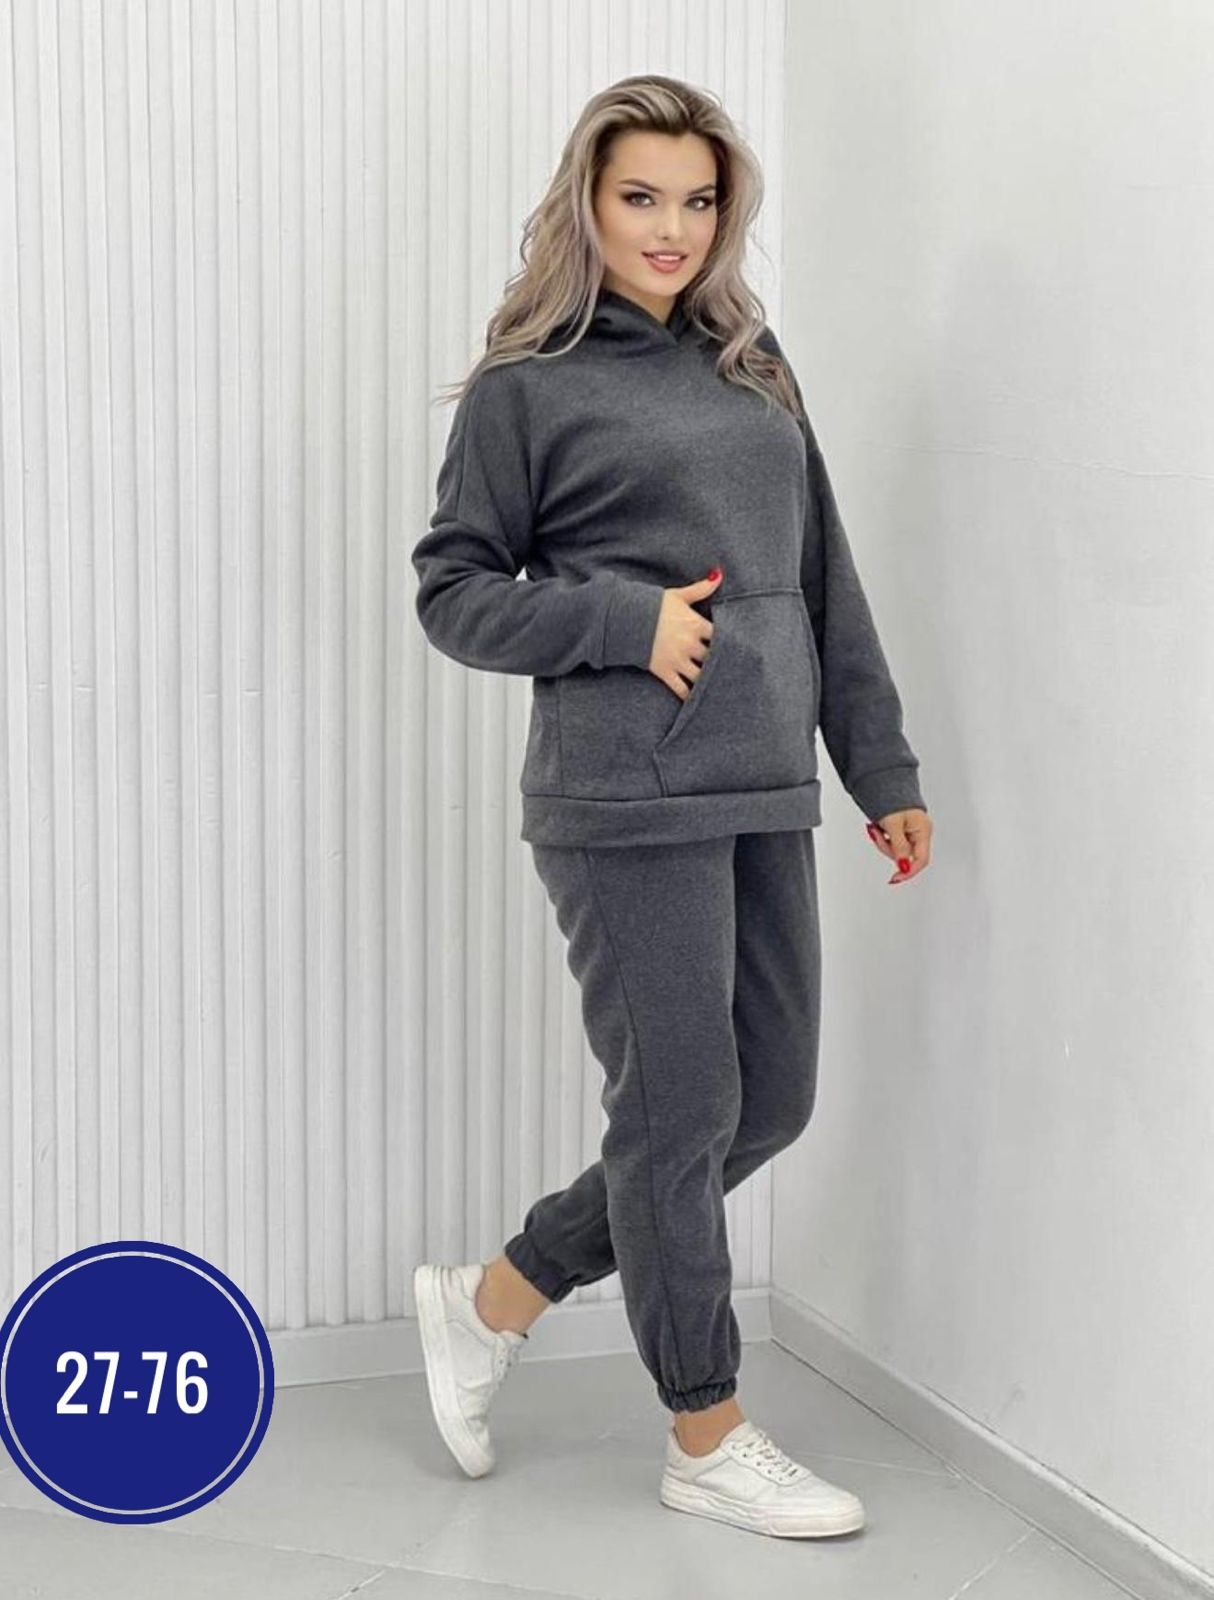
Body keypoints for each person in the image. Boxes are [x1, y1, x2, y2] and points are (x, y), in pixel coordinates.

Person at [411, 72, 933, 1539]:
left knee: (767, 1099)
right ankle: (704, 1429)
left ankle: (496, 1296)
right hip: (623, 795)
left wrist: (879, 767)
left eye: (698, 201)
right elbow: (452, 592)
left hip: (765, 782)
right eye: (640, 196)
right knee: (681, 1109)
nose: (671, 228)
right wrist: (618, 620)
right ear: (586, 201)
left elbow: (821, 578)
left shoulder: (752, 362)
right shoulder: (526, 386)